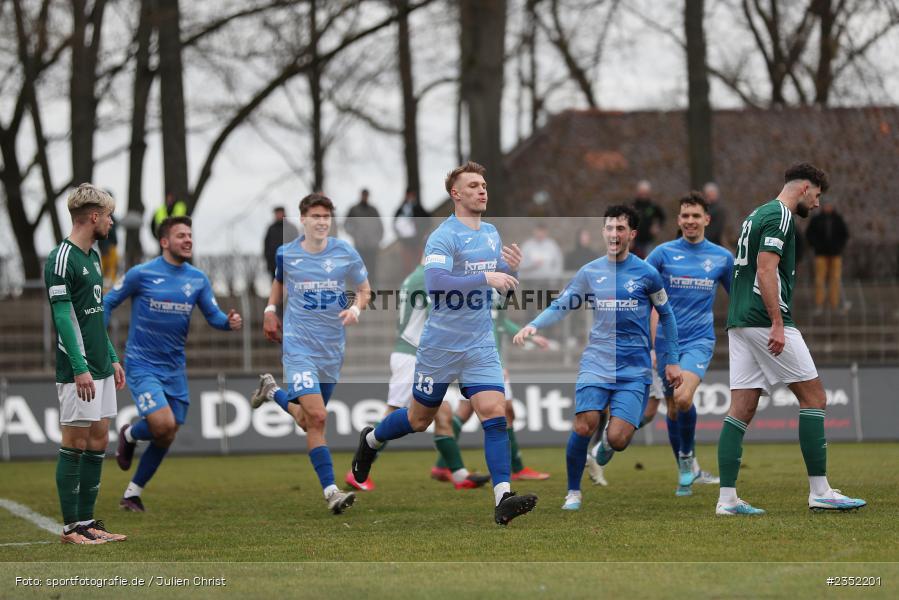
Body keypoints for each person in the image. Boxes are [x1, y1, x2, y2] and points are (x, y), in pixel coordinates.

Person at [351, 161, 538, 526]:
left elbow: (499, 289)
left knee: (494, 413)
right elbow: (436, 283)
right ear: (456, 194)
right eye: (473, 185)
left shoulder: (491, 234)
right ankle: (371, 440)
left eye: (484, 184)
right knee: (418, 420)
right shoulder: (443, 236)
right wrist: (487, 275)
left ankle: (503, 498)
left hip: (480, 345)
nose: (482, 190)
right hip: (440, 347)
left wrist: (511, 271)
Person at [718, 162, 865, 515]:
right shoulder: (780, 216)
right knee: (814, 397)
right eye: (816, 195)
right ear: (804, 189)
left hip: (739, 320)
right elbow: (766, 269)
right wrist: (777, 322)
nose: (816, 204)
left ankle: (726, 500)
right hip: (764, 318)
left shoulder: (754, 215)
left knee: (742, 407)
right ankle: (821, 491)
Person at [515, 205, 682, 511]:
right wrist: (534, 324)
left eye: (621, 229)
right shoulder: (590, 272)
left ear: (631, 234)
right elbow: (562, 305)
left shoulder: (647, 274)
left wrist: (671, 360)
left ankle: (603, 450)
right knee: (584, 425)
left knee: (618, 439)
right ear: (603, 231)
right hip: (597, 361)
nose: (614, 234)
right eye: (609, 228)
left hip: (635, 368)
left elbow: (667, 317)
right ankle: (573, 492)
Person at [107, 216, 242, 511]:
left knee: (168, 432)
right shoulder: (141, 274)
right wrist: (102, 346)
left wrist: (228, 322)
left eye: (190, 235)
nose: (188, 240)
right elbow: (107, 303)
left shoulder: (197, 279)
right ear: (164, 241)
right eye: (181, 235)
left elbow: (214, 316)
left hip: (174, 368)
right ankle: (129, 435)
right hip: (142, 364)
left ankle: (132, 493)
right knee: (162, 423)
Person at [250, 193, 371, 515]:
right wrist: (270, 309)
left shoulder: (345, 252)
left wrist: (357, 309)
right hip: (299, 347)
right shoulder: (286, 253)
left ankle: (272, 390)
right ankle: (331, 491)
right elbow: (278, 283)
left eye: (326, 217)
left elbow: (365, 290)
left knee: (307, 420)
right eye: (315, 216)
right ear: (303, 219)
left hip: (332, 350)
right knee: (318, 417)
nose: (321, 222)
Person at [345, 260, 491, 492]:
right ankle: (358, 469)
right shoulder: (427, 278)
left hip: (417, 353)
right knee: (395, 412)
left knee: (442, 413)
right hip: (412, 354)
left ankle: (457, 473)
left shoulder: (418, 275)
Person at [44, 183, 127, 544]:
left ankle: (89, 523)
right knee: (74, 441)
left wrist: (111, 357)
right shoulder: (61, 258)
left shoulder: (93, 257)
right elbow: (63, 318)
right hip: (77, 368)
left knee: (98, 439)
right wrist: (79, 366)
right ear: (93, 217)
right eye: (108, 215)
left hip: (101, 366)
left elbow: (94, 317)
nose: (111, 221)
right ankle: (70, 528)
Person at [644, 192, 731, 496]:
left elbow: (738, 299)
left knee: (682, 399)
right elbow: (640, 293)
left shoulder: (722, 257)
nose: (690, 221)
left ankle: (687, 458)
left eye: (696, 216)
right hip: (666, 342)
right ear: (679, 220)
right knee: (671, 407)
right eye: (685, 216)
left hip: (699, 340)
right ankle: (686, 469)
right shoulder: (661, 254)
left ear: (707, 219)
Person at [435, 296, 553, 482]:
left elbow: (499, 321)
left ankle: (442, 465)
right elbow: (481, 327)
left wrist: (530, 335)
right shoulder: (482, 287)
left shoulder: (493, 288)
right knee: (504, 413)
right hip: (485, 364)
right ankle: (518, 468)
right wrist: (496, 363)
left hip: (479, 362)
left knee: (466, 412)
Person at [805, 198, 849, 313]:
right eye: (826, 205)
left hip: (835, 254)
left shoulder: (838, 219)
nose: (828, 207)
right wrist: (816, 246)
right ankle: (819, 304)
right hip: (820, 254)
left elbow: (844, 235)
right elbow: (809, 235)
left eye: (830, 205)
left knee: (835, 279)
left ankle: (834, 304)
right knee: (819, 279)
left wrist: (838, 246)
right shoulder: (816, 220)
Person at [344, 189, 384, 287]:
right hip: (360, 246)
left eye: (366, 195)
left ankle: (373, 291)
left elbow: (380, 227)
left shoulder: (373, 210)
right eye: (363, 195)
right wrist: (355, 235)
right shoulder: (354, 210)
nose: (365, 197)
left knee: (372, 269)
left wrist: (377, 240)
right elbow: (346, 224)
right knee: (360, 268)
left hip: (372, 246)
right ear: (361, 195)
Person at [394, 188, 430, 275]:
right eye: (409, 195)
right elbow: (395, 224)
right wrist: (401, 236)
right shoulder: (401, 210)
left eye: (412, 195)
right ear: (406, 196)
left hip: (417, 241)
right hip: (406, 243)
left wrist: (423, 233)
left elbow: (428, 220)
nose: (411, 197)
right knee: (407, 268)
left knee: (420, 265)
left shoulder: (418, 209)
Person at [632, 180, 666, 258]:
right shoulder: (633, 206)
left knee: (648, 259)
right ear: (638, 192)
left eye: (645, 192)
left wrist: (657, 226)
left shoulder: (653, 206)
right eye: (642, 192)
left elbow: (662, 217)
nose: (643, 195)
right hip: (635, 240)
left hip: (648, 240)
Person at [264, 206, 299, 279]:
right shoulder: (271, 229)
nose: (278, 215)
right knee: (275, 286)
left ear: (284, 213)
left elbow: (297, 245)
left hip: (289, 264)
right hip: (274, 264)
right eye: (276, 213)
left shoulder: (291, 227)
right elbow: (266, 246)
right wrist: (268, 262)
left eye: (280, 213)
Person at [702, 182, 732, 250]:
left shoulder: (719, 210)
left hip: (714, 243)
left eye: (712, 193)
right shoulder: (704, 208)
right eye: (708, 194)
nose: (710, 196)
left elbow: (716, 230)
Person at [98, 211, 118, 290]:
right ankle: (109, 287)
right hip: (108, 246)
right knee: (110, 268)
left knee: (109, 268)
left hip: (106, 246)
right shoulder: (107, 218)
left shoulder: (106, 217)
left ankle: (108, 286)